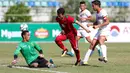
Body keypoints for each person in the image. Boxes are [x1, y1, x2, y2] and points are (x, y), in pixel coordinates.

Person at [81, 0, 110, 65]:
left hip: (105, 30)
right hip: (100, 30)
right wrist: (91, 24)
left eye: (93, 6)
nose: (92, 7)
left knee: (101, 41)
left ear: (97, 5)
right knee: (92, 44)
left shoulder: (103, 12)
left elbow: (107, 22)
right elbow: (97, 22)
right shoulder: (97, 13)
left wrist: (98, 26)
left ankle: (105, 57)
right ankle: (85, 61)